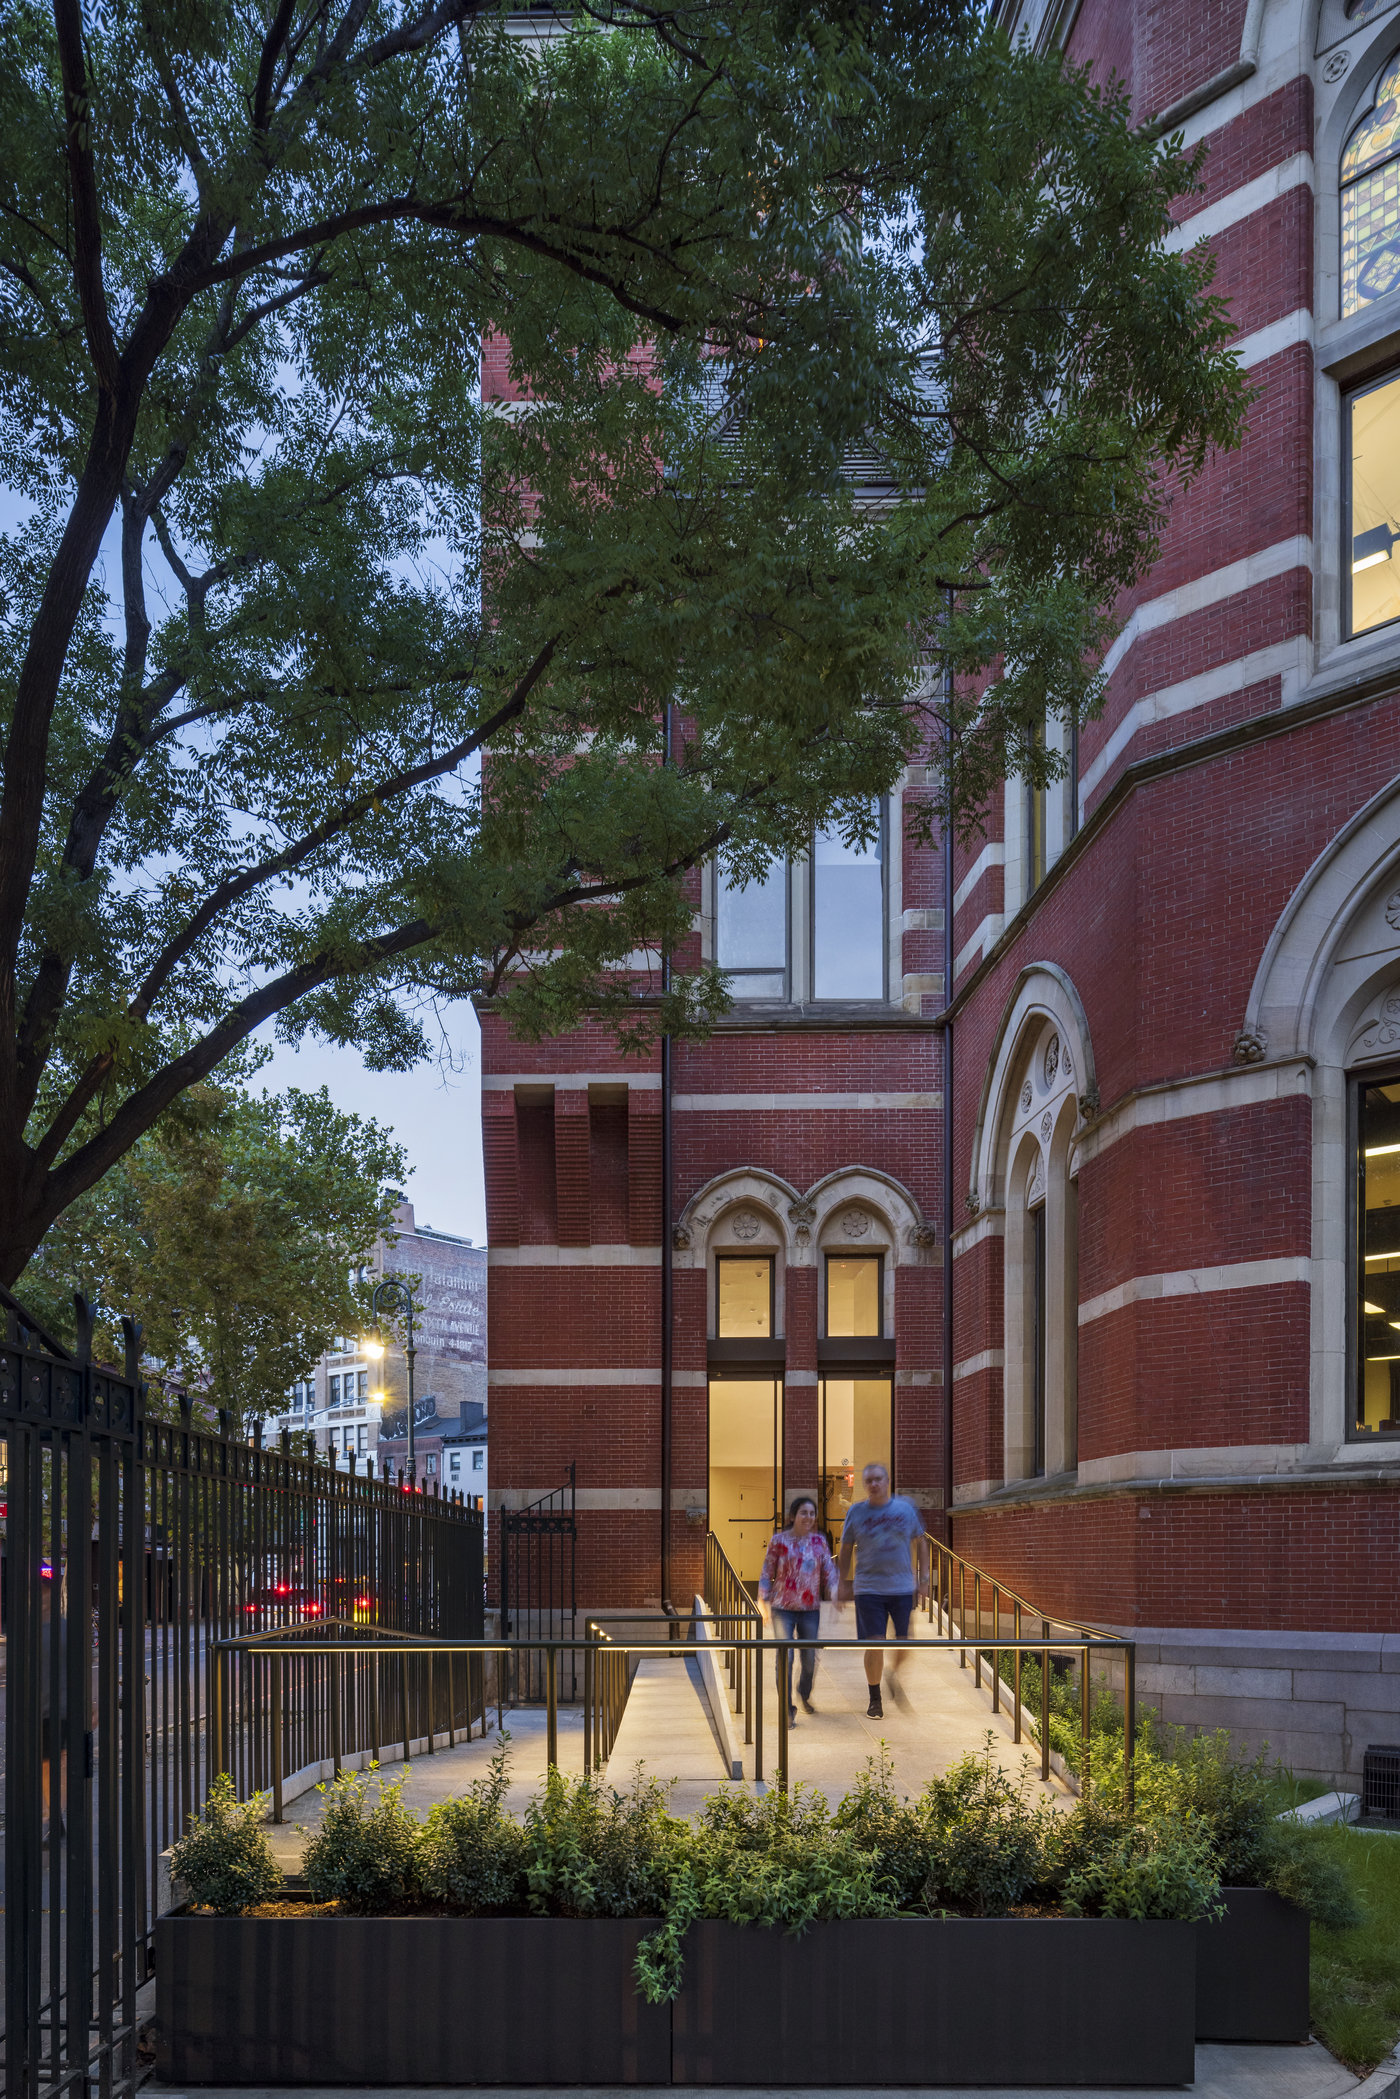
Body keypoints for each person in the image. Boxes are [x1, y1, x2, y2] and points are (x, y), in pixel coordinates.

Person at [836, 1462, 930, 1719]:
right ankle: (875, 1698)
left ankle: (892, 1674)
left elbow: (921, 1542)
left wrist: (924, 1578)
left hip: (902, 1588)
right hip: (868, 1589)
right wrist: (841, 1583)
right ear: (865, 1485)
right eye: (869, 1481)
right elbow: (846, 1548)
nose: (874, 1484)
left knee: (904, 1642)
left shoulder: (905, 1508)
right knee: (875, 1642)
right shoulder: (856, 1512)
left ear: (887, 1482)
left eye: (878, 1479)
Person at [758, 1495, 838, 1725]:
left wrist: (834, 1590)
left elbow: (829, 1570)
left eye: (812, 1513)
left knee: (809, 1658)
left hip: (810, 1609)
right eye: (804, 1513)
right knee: (785, 1658)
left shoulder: (819, 1541)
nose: (808, 1517)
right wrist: (762, 1600)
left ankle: (804, 1692)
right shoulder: (779, 1541)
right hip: (782, 1608)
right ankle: (786, 1709)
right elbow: (766, 1572)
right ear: (793, 1516)